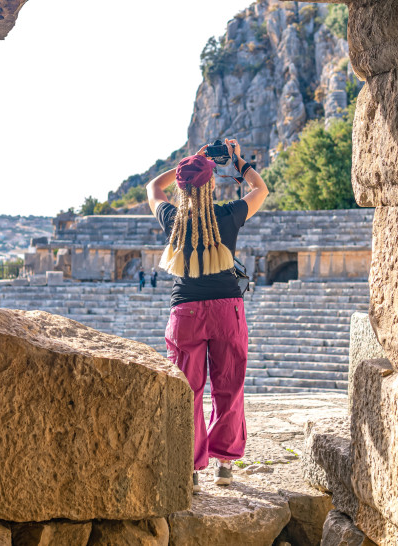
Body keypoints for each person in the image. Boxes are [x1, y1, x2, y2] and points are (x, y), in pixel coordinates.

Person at [146, 138, 268, 493]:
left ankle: (191, 468)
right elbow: (260, 189)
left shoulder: (171, 218)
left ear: (182, 187)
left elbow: (154, 187)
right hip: (226, 310)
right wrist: (240, 162)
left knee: (189, 390)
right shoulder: (228, 215)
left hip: (185, 311)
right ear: (212, 185)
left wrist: (191, 160)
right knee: (229, 386)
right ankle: (225, 465)